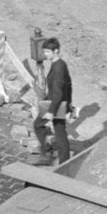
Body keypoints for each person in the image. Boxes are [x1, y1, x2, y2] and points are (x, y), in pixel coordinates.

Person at [29, 36, 74, 165]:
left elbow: (58, 93)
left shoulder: (58, 68)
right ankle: (64, 161)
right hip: (59, 103)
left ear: (56, 51)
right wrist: (69, 106)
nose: (45, 54)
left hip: (55, 104)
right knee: (60, 132)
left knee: (38, 125)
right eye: (44, 51)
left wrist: (51, 111)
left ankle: (47, 152)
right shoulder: (61, 64)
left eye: (48, 52)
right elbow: (68, 85)